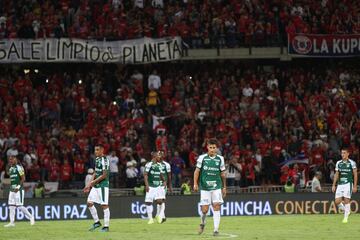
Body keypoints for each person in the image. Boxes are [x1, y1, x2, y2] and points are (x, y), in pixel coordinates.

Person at [193, 138, 226, 236]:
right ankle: (202, 223)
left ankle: (216, 230)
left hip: (217, 187)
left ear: (217, 148)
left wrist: (224, 187)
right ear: (207, 147)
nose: (212, 149)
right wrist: (195, 183)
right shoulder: (202, 158)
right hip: (205, 188)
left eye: (214, 148)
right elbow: (197, 171)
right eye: (210, 147)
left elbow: (223, 174)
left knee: (216, 206)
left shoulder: (220, 159)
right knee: (205, 210)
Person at [83, 145, 110, 232]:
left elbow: (104, 175)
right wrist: (89, 184)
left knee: (104, 205)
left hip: (102, 185)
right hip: (96, 185)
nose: (96, 151)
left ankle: (106, 227)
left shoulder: (104, 160)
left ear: (102, 150)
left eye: (97, 150)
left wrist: (94, 182)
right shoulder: (97, 159)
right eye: (95, 150)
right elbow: (95, 172)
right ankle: (97, 222)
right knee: (89, 203)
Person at [4, 154, 35, 227]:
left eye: (12, 159)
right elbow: (12, 178)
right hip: (12, 189)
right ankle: (12, 222)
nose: (10, 161)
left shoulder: (19, 167)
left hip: (19, 189)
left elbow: (23, 178)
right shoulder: (11, 168)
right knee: (11, 206)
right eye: (10, 160)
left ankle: (31, 217)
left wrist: (17, 187)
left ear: (16, 159)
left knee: (20, 206)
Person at [332, 148, 357, 223]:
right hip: (340, 184)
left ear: (348, 154)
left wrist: (355, 186)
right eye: (342, 153)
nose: (342, 154)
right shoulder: (338, 163)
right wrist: (334, 185)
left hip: (348, 183)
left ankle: (345, 218)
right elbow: (336, 174)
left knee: (346, 200)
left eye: (344, 153)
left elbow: (355, 174)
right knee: (337, 201)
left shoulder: (352, 163)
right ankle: (346, 210)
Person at [144, 151, 166, 224]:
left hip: (158, 186)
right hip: (150, 186)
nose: (160, 157)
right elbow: (145, 175)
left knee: (160, 202)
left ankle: (159, 216)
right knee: (148, 202)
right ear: (154, 156)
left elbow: (161, 174)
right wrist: (147, 185)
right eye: (158, 155)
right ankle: (150, 219)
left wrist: (164, 181)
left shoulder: (159, 165)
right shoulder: (149, 164)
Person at [156, 150, 172, 224]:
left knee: (161, 200)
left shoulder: (166, 165)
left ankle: (160, 216)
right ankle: (163, 216)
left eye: (161, 154)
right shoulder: (154, 164)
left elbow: (169, 176)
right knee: (158, 201)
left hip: (163, 185)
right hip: (155, 184)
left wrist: (170, 186)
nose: (160, 155)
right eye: (159, 154)